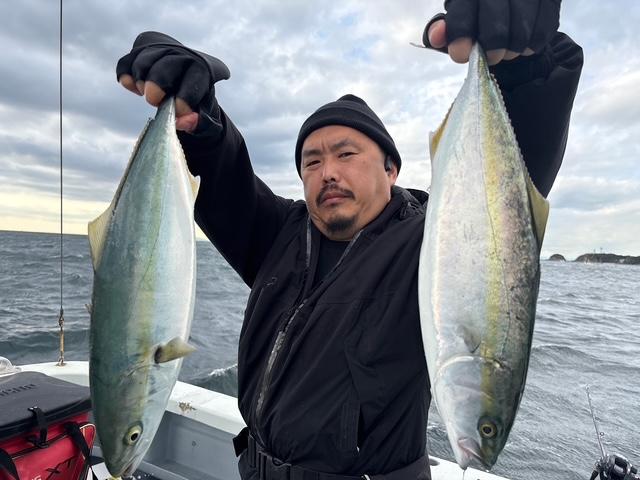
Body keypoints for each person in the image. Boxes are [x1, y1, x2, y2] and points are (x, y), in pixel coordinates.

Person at [116, 2, 583, 479]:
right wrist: (199, 115)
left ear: (391, 169)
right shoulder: (278, 235)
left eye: (346, 153)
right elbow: (224, 178)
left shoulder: (430, 246)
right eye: (312, 161)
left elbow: (503, 195)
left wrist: (527, 69)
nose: (328, 172)